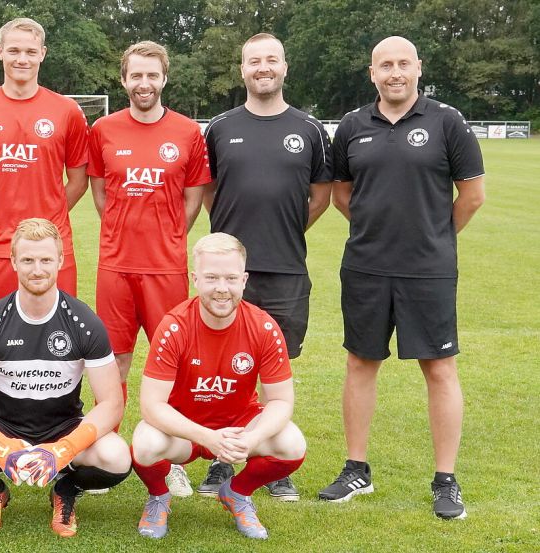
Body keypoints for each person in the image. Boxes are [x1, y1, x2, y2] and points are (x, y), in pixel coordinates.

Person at [321, 36, 485, 520]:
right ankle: (356, 469)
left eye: (403, 64)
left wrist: (432, 237)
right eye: (385, 65)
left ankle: (446, 480)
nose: (395, 72)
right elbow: (341, 194)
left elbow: (472, 195)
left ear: (418, 68)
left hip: (428, 272)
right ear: (372, 73)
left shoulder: (447, 121)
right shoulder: (352, 125)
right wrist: (378, 233)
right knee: (360, 363)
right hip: (365, 267)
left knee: (439, 368)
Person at [199, 32, 333, 501]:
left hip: (286, 270)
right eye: (254, 61)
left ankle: (274, 462)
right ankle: (220, 460)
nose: (263, 68)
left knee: (274, 371)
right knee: (223, 369)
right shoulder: (219, 127)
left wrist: (289, 230)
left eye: (271, 60)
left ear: (284, 67)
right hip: (226, 276)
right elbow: (209, 189)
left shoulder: (310, 129)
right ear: (243, 70)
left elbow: (321, 195)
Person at [0, 219, 131, 537]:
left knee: (117, 457)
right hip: (2, 430)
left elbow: (112, 403)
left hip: (62, 431)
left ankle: (65, 491)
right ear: (13, 261)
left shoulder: (84, 323)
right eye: (27, 260)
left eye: (45, 260)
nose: (36, 269)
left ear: (60, 261)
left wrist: (65, 448)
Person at [87, 40, 210, 497]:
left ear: (164, 77)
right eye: (135, 75)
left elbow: (192, 199)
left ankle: (172, 454)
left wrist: (168, 236)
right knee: (112, 361)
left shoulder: (187, 132)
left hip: (166, 268)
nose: (144, 83)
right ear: (124, 80)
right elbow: (101, 194)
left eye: (152, 75)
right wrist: (125, 231)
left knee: (172, 363)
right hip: (116, 266)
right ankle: (106, 452)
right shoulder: (103, 130)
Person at [131, 233, 306, 540]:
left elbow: (281, 401)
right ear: (195, 279)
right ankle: (159, 497)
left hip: (238, 427)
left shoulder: (264, 327)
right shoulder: (174, 326)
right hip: (185, 429)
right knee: (145, 444)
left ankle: (237, 493)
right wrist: (206, 437)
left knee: (292, 444)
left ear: (244, 280)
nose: (221, 288)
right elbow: (151, 405)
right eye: (211, 277)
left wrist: (251, 439)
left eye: (230, 278)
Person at [0, 18, 90, 410]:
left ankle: (58, 432)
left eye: (30, 51)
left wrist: (45, 226)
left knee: (60, 343)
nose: (21, 58)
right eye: (13, 50)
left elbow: (78, 180)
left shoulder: (66, 111)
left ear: (43, 55)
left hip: (53, 252)